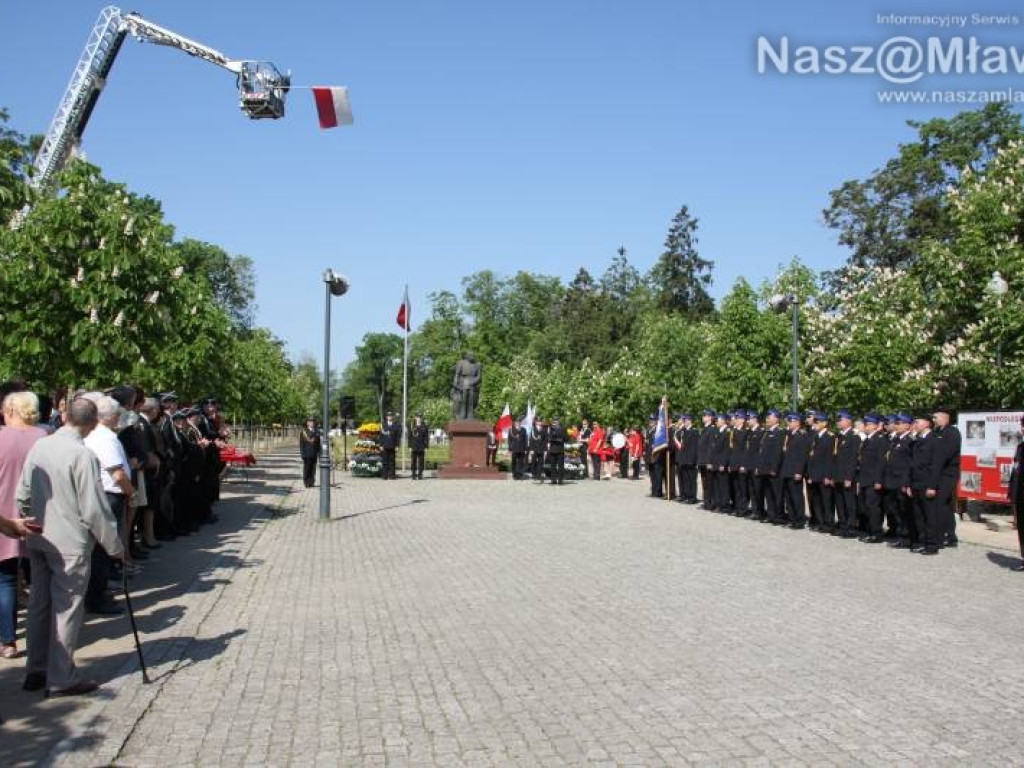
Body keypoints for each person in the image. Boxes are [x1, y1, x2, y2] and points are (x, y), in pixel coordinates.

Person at [17, 398, 124, 697]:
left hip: (39, 536)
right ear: (93, 423)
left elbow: (22, 493)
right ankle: (61, 677)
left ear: (65, 417)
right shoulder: (82, 455)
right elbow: (94, 508)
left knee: (40, 604)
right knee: (66, 608)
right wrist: (114, 545)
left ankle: (36, 669)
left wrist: (31, 520)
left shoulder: (41, 445)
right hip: (69, 542)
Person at [0, 391, 47, 659]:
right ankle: (43, 637)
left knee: (5, 578)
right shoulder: (44, 437)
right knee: (39, 578)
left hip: (4, 514)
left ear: (10, 411)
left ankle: (8, 641)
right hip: (39, 516)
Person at [83, 395, 133, 613]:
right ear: (111, 416)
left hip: (104, 494)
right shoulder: (105, 437)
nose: (119, 418)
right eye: (117, 414)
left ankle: (97, 592)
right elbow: (117, 474)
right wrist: (131, 491)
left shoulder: (100, 435)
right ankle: (97, 597)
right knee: (103, 549)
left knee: (101, 549)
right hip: (109, 495)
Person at [909, 414, 942, 555]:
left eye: (918, 421)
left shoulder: (934, 440)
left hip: (927, 483)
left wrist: (932, 486)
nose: (915, 424)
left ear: (927, 423)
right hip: (916, 482)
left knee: (930, 515)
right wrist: (910, 484)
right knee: (919, 515)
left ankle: (932, 544)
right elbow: (912, 464)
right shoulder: (917, 440)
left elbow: (936, 466)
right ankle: (922, 542)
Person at [884, 414, 916, 548]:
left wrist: (906, 482)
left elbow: (909, 464)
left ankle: (906, 537)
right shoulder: (896, 439)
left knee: (904, 511)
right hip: (892, 480)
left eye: (899, 423)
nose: (896, 426)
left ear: (908, 425)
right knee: (895, 510)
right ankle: (900, 534)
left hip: (902, 481)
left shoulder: (910, 441)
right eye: (896, 423)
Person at [933, 407, 962, 548]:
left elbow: (946, 454)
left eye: (935, 417)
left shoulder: (952, 433)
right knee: (945, 505)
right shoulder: (937, 432)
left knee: (941, 503)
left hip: (948, 474)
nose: (933, 420)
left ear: (944, 417)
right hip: (939, 473)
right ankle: (950, 535)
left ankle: (944, 535)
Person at [857, 413, 887, 543]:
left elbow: (881, 462)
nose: (866, 426)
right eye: (865, 424)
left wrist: (878, 480)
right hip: (865, 479)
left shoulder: (880, 439)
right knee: (865, 507)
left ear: (875, 426)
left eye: (868, 424)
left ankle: (876, 533)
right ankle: (869, 531)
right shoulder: (868, 440)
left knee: (873, 507)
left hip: (873, 479)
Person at [805, 412, 836, 534]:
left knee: (826, 501)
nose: (816, 424)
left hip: (824, 475)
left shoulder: (830, 437)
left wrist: (828, 476)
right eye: (815, 422)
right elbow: (812, 458)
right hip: (815, 474)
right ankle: (821, 522)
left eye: (818, 422)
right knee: (816, 500)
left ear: (825, 423)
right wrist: (810, 475)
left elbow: (830, 459)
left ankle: (829, 524)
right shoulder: (815, 436)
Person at [833, 410, 862, 538]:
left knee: (849, 503)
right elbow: (835, 459)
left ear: (849, 421)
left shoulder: (854, 437)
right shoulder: (839, 437)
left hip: (847, 476)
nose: (838, 422)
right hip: (838, 475)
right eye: (837, 420)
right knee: (840, 503)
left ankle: (851, 527)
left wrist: (849, 477)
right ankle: (843, 525)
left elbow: (853, 459)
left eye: (840, 420)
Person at [780, 412, 810, 528]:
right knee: (788, 496)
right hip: (787, 469)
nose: (788, 423)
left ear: (797, 422)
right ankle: (792, 518)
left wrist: (799, 471)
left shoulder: (802, 436)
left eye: (790, 421)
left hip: (795, 471)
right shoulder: (789, 434)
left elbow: (802, 456)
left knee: (796, 496)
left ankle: (799, 520)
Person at [758, 409, 784, 523]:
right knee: (768, 493)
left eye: (769, 417)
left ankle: (778, 516)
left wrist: (774, 468)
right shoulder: (767, 432)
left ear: (776, 419)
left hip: (773, 469)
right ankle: (771, 515)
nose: (767, 419)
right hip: (765, 468)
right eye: (767, 418)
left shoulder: (779, 432)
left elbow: (778, 453)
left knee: (776, 494)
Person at [1007, 413, 1024, 571]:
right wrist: (1011, 492)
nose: (1023, 429)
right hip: (1019, 494)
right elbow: (1015, 471)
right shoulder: (1020, 447)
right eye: (1023, 426)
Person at [697, 410, 716, 509]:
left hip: (707, 461)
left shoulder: (712, 429)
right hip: (702, 460)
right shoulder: (704, 429)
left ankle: (711, 503)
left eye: (705, 416)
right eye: (703, 415)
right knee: (705, 483)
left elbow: (711, 447)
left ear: (710, 418)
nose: (703, 417)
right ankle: (706, 502)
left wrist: (709, 461)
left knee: (710, 483)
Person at [299, 417, 321, 487]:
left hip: (314, 453)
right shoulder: (304, 432)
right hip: (307, 453)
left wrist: (319, 453)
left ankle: (311, 482)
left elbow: (318, 444)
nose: (311, 423)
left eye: (313, 421)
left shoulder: (317, 431)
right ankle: (306, 482)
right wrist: (302, 454)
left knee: (313, 469)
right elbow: (301, 444)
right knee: (307, 469)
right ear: (307, 423)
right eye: (310, 421)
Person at [546, 417, 566, 485]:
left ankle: (560, 480)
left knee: (560, 466)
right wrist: (552, 438)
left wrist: (560, 439)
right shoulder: (551, 428)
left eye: (556, 420)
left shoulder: (563, 428)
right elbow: (548, 438)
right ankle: (553, 480)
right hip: (553, 449)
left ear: (558, 421)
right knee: (553, 466)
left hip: (560, 449)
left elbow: (566, 438)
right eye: (554, 421)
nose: (555, 422)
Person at [380, 412, 400, 479]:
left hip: (392, 445)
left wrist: (397, 446)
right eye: (388, 416)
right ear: (387, 417)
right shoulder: (383, 425)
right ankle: (385, 475)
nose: (390, 417)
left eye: (391, 416)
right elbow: (381, 436)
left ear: (392, 417)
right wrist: (381, 445)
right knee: (385, 461)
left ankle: (392, 475)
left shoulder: (395, 425)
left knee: (392, 461)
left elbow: (397, 437)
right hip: (385, 445)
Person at [409, 414, 429, 480]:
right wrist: (410, 446)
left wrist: (426, 446)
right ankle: (413, 474)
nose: (419, 419)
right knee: (413, 461)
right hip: (414, 446)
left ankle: (420, 474)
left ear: (421, 418)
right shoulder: (412, 426)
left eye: (420, 417)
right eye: (417, 417)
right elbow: (409, 437)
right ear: (415, 418)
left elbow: (426, 437)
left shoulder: (424, 426)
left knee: (421, 461)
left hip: (421, 446)